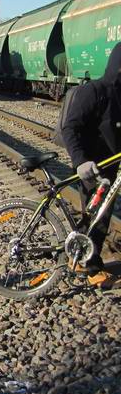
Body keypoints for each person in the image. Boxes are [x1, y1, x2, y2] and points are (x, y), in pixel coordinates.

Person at [62, 42, 121, 288]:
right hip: (90, 165)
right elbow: (70, 127)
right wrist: (80, 161)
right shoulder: (93, 91)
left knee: (97, 215)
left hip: (109, 164)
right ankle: (90, 267)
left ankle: (76, 258)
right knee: (97, 215)